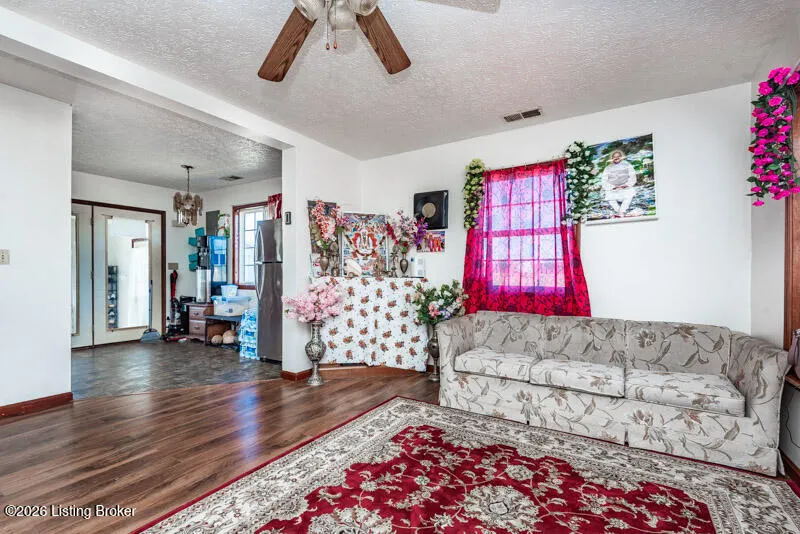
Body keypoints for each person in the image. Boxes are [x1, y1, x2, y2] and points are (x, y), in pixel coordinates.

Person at [600, 150, 638, 217]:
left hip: (625, 187)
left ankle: (622, 211)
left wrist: (626, 185)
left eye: (618, 156)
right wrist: (612, 187)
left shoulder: (627, 165)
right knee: (610, 197)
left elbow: (632, 176)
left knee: (629, 195)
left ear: (621, 157)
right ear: (612, 158)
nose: (616, 158)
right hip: (613, 189)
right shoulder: (608, 168)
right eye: (614, 157)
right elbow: (604, 180)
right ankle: (619, 212)